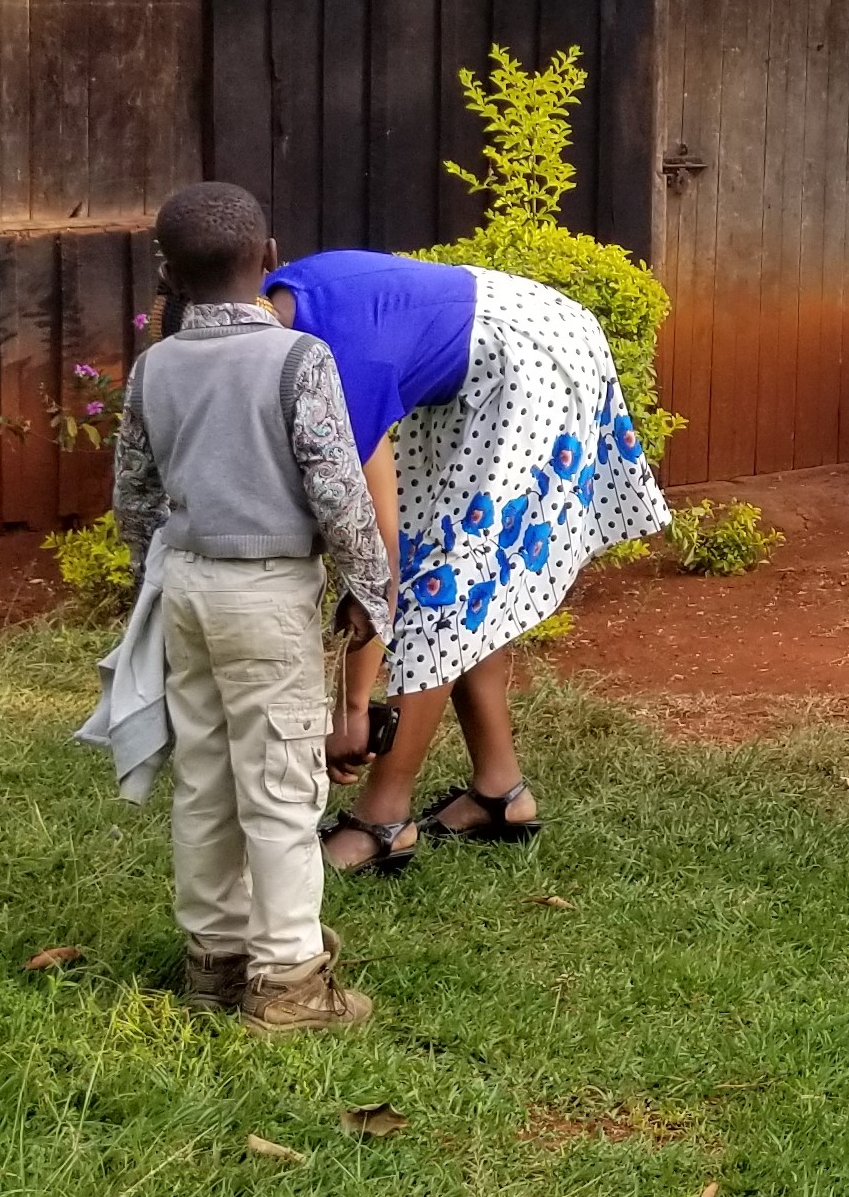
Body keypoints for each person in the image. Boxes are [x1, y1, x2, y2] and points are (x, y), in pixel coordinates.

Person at [263, 247, 671, 876]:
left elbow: (381, 557)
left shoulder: (336, 368)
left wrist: (351, 710)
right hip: (477, 362)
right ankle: (500, 792)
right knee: (464, 571)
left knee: (446, 588)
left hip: (532, 359)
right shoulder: (269, 316)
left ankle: (384, 820)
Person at [100, 184, 394, 1035]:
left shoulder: (155, 367)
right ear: (270, 257)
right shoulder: (299, 360)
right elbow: (340, 495)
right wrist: (369, 591)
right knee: (280, 787)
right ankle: (291, 981)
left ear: (167, 271)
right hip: (266, 595)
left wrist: (154, 578)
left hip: (187, 587)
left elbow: (135, 499)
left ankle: (215, 963)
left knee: (205, 777)